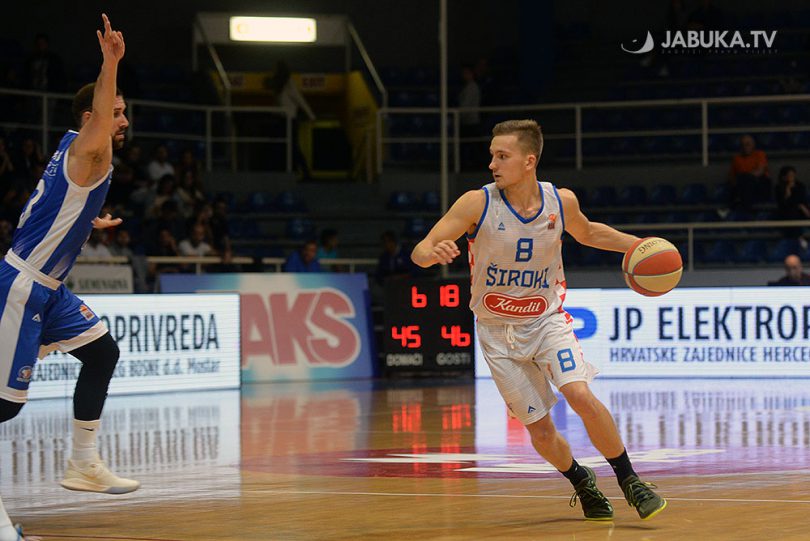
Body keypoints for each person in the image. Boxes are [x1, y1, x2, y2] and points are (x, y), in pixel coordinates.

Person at [411, 119, 667, 522]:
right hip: (496, 332)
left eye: (502, 156)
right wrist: (432, 252)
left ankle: (630, 480)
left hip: (546, 320)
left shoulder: (560, 201)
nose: (492, 164)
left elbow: (588, 233)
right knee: (541, 430)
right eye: (492, 155)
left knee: (579, 395)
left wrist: (638, 246)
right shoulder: (476, 203)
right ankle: (581, 480)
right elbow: (421, 250)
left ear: (529, 161)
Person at [0, 14, 138, 541]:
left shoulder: (76, 152)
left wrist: (86, 220)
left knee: (102, 353)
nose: (124, 119)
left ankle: (83, 463)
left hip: (50, 289)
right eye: (117, 112)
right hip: (22, 286)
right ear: (93, 116)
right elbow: (100, 111)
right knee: (3, 408)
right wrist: (110, 62)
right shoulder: (90, 145)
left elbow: (50, 206)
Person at [727, 134, 770, 212]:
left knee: (746, 179)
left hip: (759, 184)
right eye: (742, 145)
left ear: (753, 145)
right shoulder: (736, 158)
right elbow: (732, 177)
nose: (745, 147)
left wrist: (746, 176)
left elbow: (760, 171)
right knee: (739, 183)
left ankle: (741, 205)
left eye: (747, 144)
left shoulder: (760, 154)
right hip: (742, 185)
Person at [774, 166, 810, 242]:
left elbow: (802, 201)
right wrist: (788, 192)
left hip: (800, 213)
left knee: (795, 212)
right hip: (786, 213)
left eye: (793, 175)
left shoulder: (800, 186)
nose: (791, 178)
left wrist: (801, 207)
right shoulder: (779, 188)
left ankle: (799, 238)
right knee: (791, 212)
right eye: (789, 175)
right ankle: (798, 238)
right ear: (784, 177)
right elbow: (783, 204)